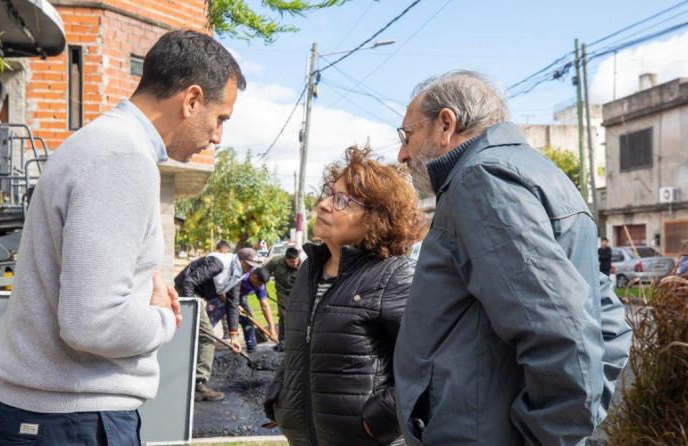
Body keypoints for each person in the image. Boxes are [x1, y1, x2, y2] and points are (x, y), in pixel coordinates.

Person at [0, 30, 245, 445]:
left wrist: (143, 289)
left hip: (56, 417)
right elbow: (93, 323)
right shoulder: (121, 157)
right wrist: (163, 318)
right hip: (73, 421)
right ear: (192, 100)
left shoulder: (100, 145)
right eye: (220, 119)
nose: (217, 136)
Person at [393, 71, 628, 445]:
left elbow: (564, 331)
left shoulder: (480, 179)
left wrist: (550, 435)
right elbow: (609, 321)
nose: (402, 153)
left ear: (446, 124)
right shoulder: (543, 174)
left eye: (407, 136)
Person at [264, 147, 424, 446]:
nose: (323, 205)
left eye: (341, 200)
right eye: (328, 194)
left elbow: (427, 367)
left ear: (377, 217)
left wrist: (380, 420)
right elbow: (300, 346)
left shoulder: (396, 275)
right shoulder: (310, 269)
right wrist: (279, 395)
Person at [174, 247, 262, 401]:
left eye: (252, 267)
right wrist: (190, 312)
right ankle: (199, 384)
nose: (250, 270)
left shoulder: (237, 274)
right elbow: (189, 281)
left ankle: (189, 379)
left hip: (198, 294)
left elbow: (232, 303)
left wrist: (234, 336)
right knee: (206, 337)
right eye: (248, 265)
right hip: (186, 290)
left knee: (198, 336)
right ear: (239, 260)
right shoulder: (219, 263)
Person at [264, 246, 302, 347]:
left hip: (299, 293)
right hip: (282, 291)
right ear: (286, 258)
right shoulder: (276, 262)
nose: (294, 264)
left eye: (296, 261)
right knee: (284, 316)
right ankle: (283, 341)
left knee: (299, 316)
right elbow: (264, 273)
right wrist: (263, 289)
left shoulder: (304, 265)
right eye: (291, 262)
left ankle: (298, 341)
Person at [233, 267, 278, 352]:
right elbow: (223, 289)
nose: (259, 286)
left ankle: (252, 349)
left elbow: (265, 306)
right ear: (253, 276)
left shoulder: (260, 285)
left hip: (240, 298)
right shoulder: (241, 277)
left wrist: (272, 329)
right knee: (209, 321)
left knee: (248, 321)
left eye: (261, 284)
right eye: (258, 283)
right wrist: (234, 304)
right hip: (223, 295)